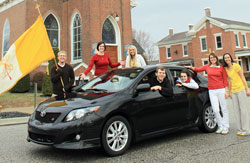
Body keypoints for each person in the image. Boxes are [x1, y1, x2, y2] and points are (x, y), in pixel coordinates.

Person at [185, 53, 230, 135]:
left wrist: (227, 90)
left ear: (216, 58)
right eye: (211, 58)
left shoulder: (221, 68)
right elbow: (197, 69)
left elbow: (225, 79)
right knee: (216, 110)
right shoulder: (207, 67)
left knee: (224, 108)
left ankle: (226, 126)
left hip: (221, 89)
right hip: (212, 91)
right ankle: (220, 126)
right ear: (209, 59)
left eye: (213, 57)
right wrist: (190, 67)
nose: (212, 59)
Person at [223, 53, 250, 136]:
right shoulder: (226, 68)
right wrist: (229, 92)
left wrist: (247, 89)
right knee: (236, 110)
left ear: (231, 58)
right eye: (225, 58)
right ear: (224, 60)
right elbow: (228, 81)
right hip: (233, 91)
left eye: (228, 57)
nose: (227, 59)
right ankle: (240, 129)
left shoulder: (236, 66)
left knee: (243, 110)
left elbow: (242, 77)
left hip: (241, 89)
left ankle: (246, 130)